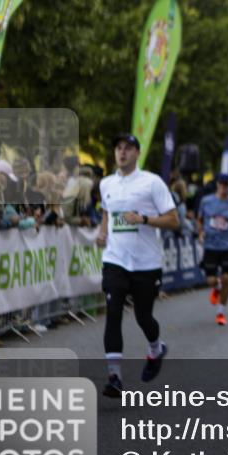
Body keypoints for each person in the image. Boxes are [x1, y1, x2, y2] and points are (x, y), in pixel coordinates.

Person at [97, 134, 180, 398]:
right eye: (118, 148)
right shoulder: (106, 183)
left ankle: (156, 349)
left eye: (128, 149)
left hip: (146, 262)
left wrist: (143, 218)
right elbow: (107, 213)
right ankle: (114, 376)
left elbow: (173, 220)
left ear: (137, 153)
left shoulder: (152, 182)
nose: (122, 153)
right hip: (115, 259)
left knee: (144, 317)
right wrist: (102, 232)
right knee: (113, 311)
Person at [196, 173, 228, 326]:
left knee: (227, 279)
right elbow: (199, 220)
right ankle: (216, 287)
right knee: (211, 280)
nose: (224, 187)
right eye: (221, 184)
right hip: (210, 245)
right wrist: (201, 231)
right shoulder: (206, 201)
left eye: (226, 185)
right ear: (217, 184)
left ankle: (220, 312)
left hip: (227, 246)